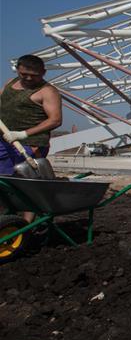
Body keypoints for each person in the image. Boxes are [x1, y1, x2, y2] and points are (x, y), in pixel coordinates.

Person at [1, 55, 62, 223]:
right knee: (3, 184)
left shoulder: (47, 91)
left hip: (30, 144)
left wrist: (24, 134)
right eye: (24, 74)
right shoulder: (9, 84)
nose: (28, 78)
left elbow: (55, 120)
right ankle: (7, 219)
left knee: (27, 184)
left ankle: (27, 226)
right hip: (4, 142)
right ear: (18, 70)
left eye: (34, 75)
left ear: (43, 72)